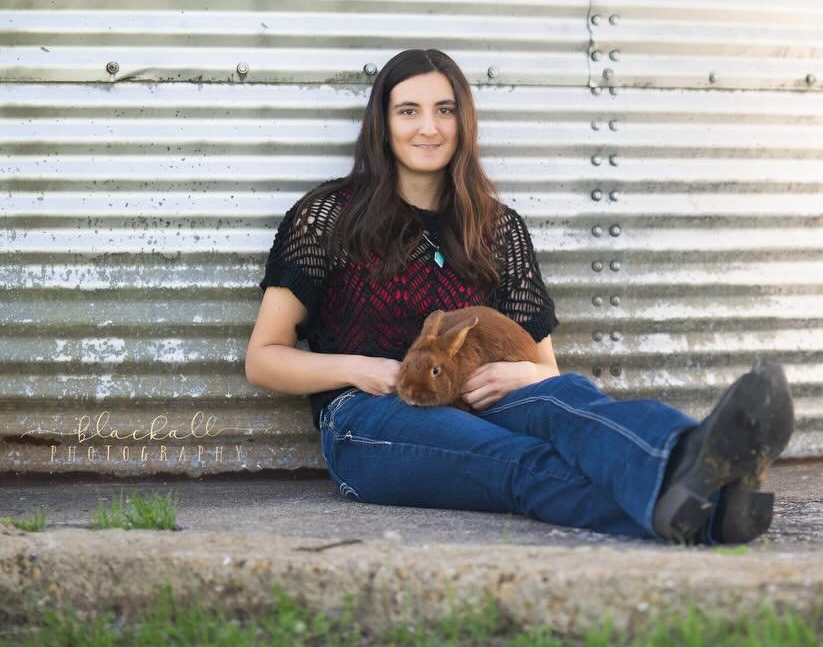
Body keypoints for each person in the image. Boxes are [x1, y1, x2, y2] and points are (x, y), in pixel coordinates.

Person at [243, 48, 794, 545]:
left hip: (489, 401)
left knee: (565, 400)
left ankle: (688, 454)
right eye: (408, 110)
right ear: (382, 124)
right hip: (370, 420)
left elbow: (544, 366)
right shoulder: (330, 217)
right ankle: (717, 506)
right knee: (520, 462)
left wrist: (529, 376)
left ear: (464, 121)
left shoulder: (497, 228)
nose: (428, 127)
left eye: (445, 109)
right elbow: (263, 359)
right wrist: (360, 369)